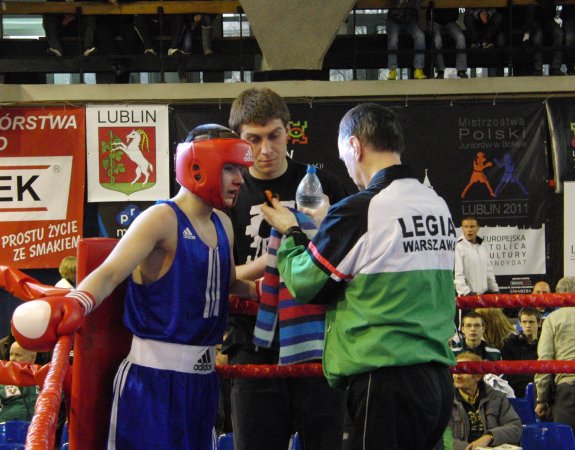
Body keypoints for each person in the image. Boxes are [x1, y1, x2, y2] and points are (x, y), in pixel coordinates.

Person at [11, 124, 257, 450]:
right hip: (152, 380)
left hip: (202, 383)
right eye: (229, 168)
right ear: (197, 164)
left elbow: (226, 283)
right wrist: (77, 301)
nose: (239, 179)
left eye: (240, 169)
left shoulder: (223, 223)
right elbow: (110, 273)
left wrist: (265, 289)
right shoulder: (161, 218)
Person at [262, 102, 457, 449]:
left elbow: (306, 283)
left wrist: (291, 231)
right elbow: (382, 253)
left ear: (355, 146)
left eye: (344, 158)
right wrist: (329, 224)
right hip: (438, 379)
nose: (348, 170)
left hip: (384, 381)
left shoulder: (360, 208)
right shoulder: (436, 204)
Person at [224, 87, 350, 450]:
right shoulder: (229, 191)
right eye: (254, 139)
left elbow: (349, 261)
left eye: (274, 136)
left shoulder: (324, 186)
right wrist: (271, 263)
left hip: (318, 339)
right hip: (252, 338)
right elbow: (217, 274)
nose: (266, 149)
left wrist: (320, 229)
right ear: (239, 139)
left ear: (289, 131)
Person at [534, 276, 575, 449]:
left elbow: (545, 360)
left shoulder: (553, 318)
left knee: (566, 445)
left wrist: (542, 399)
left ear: (558, 296)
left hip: (569, 388)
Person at [451, 352, 522, 450]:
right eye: (455, 370)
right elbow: (439, 437)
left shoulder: (497, 398)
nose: (457, 376)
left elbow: (515, 428)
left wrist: (489, 437)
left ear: (478, 376)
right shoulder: (445, 400)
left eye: (463, 371)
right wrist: (470, 448)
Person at [454, 216, 499, 297]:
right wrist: (466, 293)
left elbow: (488, 271)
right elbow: (458, 275)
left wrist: (494, 289)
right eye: (466, 227)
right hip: (466, 297)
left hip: (482, 297)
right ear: (462, 228)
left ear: (478, 228)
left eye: (472, 226)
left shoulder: (482, 246)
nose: (469, 230)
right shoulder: (458, 247)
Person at [501, 307, 541, 397]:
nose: (528, 325)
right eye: (524, 322)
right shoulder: (510, 344)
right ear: (520, 323)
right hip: (518, 392)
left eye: (531, 322)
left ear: (539, 323)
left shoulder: (545, 343)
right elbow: (508, 374)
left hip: (541, 389)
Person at [386, 0, 428, 80]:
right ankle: (392, 69)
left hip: (411, 21)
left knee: (420, 36)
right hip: (394, 20)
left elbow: (418, 4)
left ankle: (418, 69)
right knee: (393, 39)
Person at [0, 342, 39, 422]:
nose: (12, 359)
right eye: (11, 354)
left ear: (32, 358)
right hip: (6, 428)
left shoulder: (43, 379)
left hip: (38, 427)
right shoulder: (2, 379)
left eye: (18, 355)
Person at [430, 7, 468, 79]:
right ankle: (440, 70)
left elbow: (455, 11)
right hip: (434, 21)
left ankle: (461, 70)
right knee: (437, 40)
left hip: (450, 21)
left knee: (460, 37)